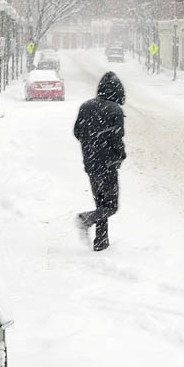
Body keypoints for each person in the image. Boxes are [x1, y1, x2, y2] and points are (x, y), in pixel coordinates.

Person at [74, 71, 126, 251]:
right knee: (111, 206)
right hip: (108, 166)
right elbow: (117, 139)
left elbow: (77, 132)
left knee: (101, 204)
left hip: (90, 163)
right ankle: (85, 219)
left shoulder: (86, 106)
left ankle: (101, 242)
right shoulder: (115, 110)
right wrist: (120, 155)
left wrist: (91, 147)